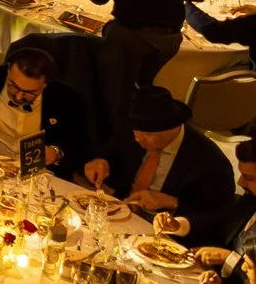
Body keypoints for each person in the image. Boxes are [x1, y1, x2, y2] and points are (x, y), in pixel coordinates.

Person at [81, 87, 239, 245]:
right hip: (117, 216)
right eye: (136, 131)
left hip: (162, 237)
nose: (138, 139)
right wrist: (100, 162)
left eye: (148, 135)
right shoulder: (136, 132)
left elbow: (217, 215)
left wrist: (172, 202)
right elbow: (109, 152)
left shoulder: (210, 161)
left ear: (173, 127)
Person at [0, 44, 91, 171]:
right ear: (8, 70)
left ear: (45, 84)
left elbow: (80, 146)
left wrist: (57, 152)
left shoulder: (67, 99)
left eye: (29, 93)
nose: (19, 96)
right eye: (13, 86)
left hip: (33, 177)